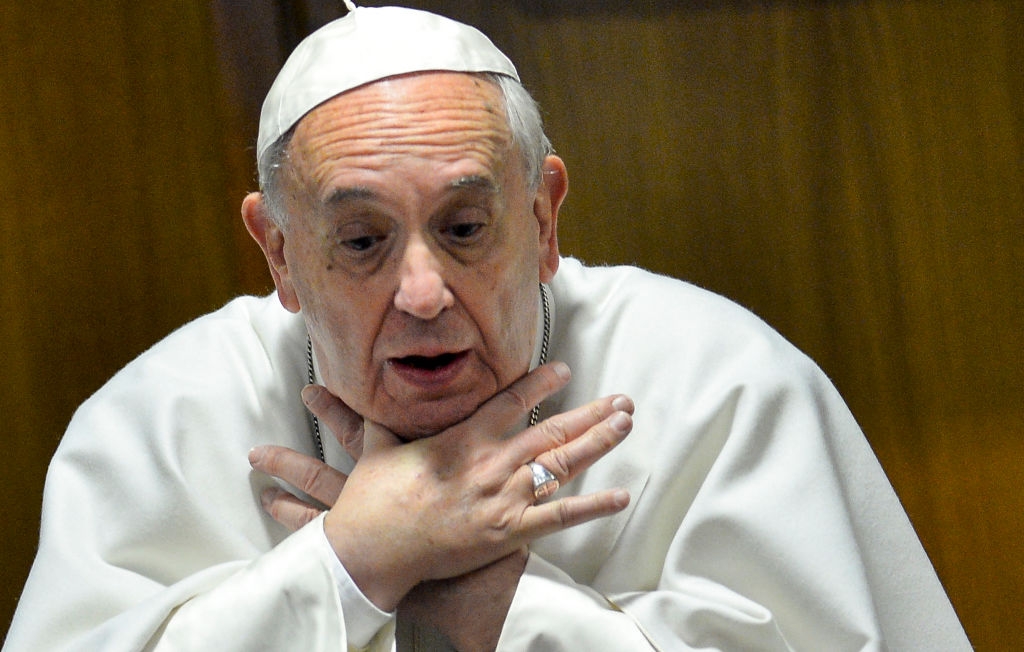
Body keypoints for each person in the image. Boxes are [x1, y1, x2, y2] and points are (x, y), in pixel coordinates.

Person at [5, 5, 971, 651]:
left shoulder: (722, 378)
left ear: (545, 217)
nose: (423, 292)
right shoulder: (157, 418)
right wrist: (354, 564)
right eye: (362, 241)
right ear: (279, 254)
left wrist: (499, 604)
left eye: (466, 229)